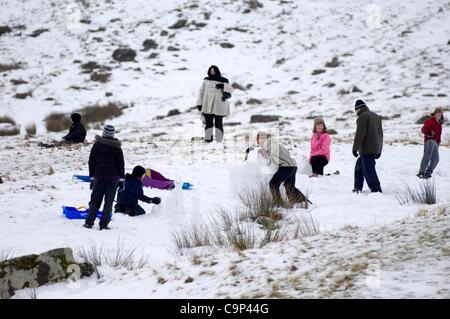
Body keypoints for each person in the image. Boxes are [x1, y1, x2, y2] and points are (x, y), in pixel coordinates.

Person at [83, 125, 125, 230]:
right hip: (113, 179)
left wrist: (92, 176)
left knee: (95, 201)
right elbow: (121, 164)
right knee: (108, 202)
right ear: (112, 134)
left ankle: (89, 223)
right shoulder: (117, 147)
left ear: (104, 133)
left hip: (99, 177)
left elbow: (91, 162)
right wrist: (121, 179)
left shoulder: (97, 146)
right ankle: (104, 225)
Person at [256, 132, 310, 206]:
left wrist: (263, 153)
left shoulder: (269, 144)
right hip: (293, 166)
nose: (260, 140)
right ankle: (303, 203)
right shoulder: (275, 143)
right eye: (259, 138)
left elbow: (270, 157)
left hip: (286, 167)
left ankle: (279, 204)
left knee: (273, 184)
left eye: (262, 138)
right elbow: (287, 153)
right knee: (290, 187)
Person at [352, 100, 383, 193]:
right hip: (375, 148)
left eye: (356, 110)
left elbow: (360, 134)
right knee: (359, 166)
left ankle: (376, 190)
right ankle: (357, 187)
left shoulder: (363, 117)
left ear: (359, 108)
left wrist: (355, 149)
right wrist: (379, 150)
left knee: (369, 171)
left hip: (366, 149)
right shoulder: (376, 116)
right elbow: (380, 134)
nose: (356, 112)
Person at [196, 65, 233, 142]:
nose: (212, 72)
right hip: (207, 105)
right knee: (208, 124)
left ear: (217, 71)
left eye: (213, 70)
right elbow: (201, 92)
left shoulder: (223, 80)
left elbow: (231, 89)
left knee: (218, 124)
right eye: (211, 70)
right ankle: (208, 139)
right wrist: (199, 104)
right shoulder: (206, 80)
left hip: (219, 105)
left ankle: (219, 140)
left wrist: (223, 86)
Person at [417, 107, 444, 179]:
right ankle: (421, 172)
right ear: (434, 114)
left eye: (439, 115)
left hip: (436, 143)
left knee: (436, 159)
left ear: (441, 115)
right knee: (427, 156)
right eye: (437, 115)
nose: (438, 116)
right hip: (430, 141)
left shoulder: (439, 124)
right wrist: (428, 133)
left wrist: (438, 144)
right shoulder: (429, 121)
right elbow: (423, 129)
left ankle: (428, 173)